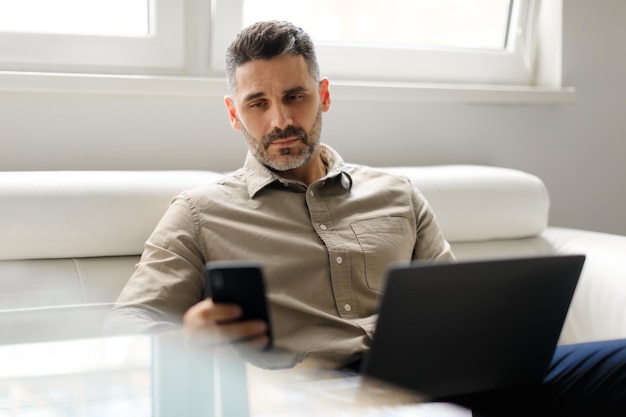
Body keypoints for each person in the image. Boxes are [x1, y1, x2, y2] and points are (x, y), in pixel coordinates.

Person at [104, 20, 626, 416]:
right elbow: (124, 333)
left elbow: (457, 302)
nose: (281, 120)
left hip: (446, 376)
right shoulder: (200, 213)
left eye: (295, 96)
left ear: (323, 94)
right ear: (233, 112)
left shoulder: (396, 193)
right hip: (325, 395)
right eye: (258, 103)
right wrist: (189, 336)